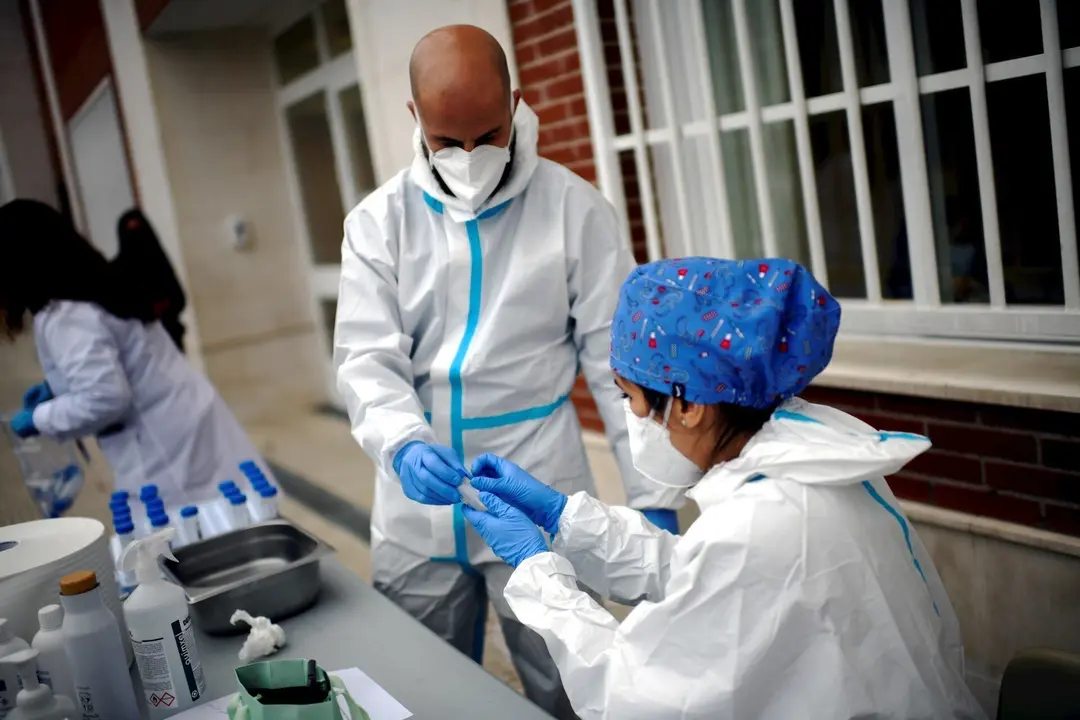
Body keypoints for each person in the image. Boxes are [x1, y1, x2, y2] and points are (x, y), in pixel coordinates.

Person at [461, 257, 987, 719]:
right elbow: (706, 578)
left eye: (630, 399)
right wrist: (564, 519)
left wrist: (537, 572)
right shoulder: (809, 452)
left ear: (688, 405)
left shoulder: (762, 518)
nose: (631, 418)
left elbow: (632, 695)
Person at [333, 24, 677, 717]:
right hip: (415, 504)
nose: (468, 158)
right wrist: (401, 443)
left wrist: (654, 492)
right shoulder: (377, 224)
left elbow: (620, 367)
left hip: (534, 483)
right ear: (415, 120)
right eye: (446, 141)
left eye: (488, 136)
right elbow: (367, 357)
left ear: (516, 104)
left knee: (566, 683)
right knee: (418, 687)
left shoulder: (575, 209)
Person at [0, 199, 273, 507]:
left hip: (165, 450)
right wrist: (58, 387)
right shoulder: (101, 282)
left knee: (203, 535)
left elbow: (106, 397)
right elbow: (125, 357)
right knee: (238, 514)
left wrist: (39, 418)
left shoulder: (67, 316)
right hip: (186, 419)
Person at [113, 208, 188, 352]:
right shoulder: (117, 272)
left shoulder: (160, 266)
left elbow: (178, 299)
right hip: (138, 348)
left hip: (171, 343)